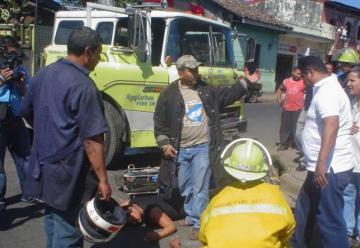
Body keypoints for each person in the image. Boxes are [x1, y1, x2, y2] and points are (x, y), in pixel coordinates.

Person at [19, 26, 112, 248]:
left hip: (44, 166)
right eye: (98, 54)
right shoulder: (84, 86)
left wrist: (49, 132)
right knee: (68, 231)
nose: (98, 59)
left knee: (52, 221)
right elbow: (92, 140)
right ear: (87, 51)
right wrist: (103, 180)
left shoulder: (44, 73)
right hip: (69, 172)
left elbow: (25, 111)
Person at [153, 54, 260, 239]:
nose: (195, 72)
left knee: (200, 186)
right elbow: (159, 121)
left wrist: (246, 83)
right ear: (180, 72)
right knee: (185, 185)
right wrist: (164, 144)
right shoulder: (168, 94)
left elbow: (228, 95)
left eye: (196, 69)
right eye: (191, 70)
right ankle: (190, 214)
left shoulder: (206, 90)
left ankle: (199, 221)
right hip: (181, 148)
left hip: (202, 147)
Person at [291, 56, 354, 248]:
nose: (303, 81)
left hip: (329, 170)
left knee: (329, 220)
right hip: (320, 168)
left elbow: (331, 125)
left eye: (304, 76)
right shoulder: (326, 89)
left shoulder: (327, 92)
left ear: (310, 72)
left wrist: (321, 163)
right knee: (305, 209)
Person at [199, 138, 295, 248]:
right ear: (261, 169)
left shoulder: (217, 199)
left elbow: (203, 236)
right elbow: (289, 229)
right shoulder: (274, 195)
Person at [0, 36, 32, 211]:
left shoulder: (20, 71)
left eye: (15, 54)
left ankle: (29, 193)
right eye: (9, 54)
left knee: (25, 157)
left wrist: (19, 83)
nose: (12, 59)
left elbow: (26, 92)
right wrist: (1, 80)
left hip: (16, 118)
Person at [343, 66, 360, 244]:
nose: (348, 84)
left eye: (352, 80)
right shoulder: (352, 103)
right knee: (348, 196)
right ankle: (347, 233)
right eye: (348, 80)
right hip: (351, 162)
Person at [276, 67, 305, 150]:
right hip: (286, 108)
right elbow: (279, 89)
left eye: (300, 74)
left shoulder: (303, 82)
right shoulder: (286, 81)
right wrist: (278, 99)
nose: (299, 76)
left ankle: (295, 143)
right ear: (293, 72)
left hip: (298, 109)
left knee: (295, 128)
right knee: (284, 127)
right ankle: (283, 144)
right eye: (297, 73)